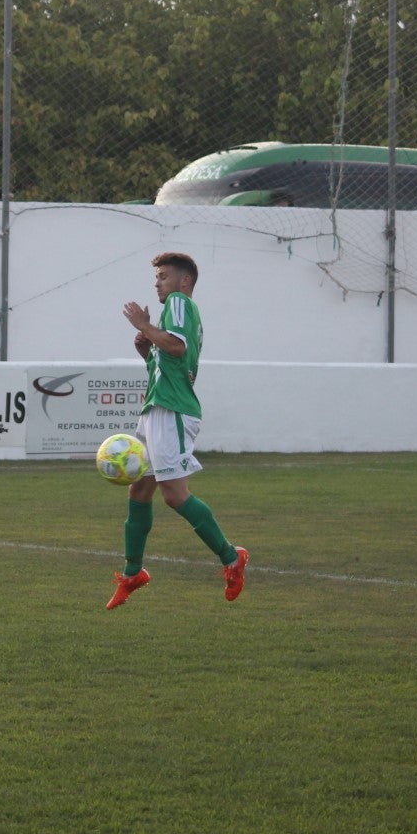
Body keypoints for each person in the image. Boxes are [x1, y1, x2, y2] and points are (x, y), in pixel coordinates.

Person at [106, 252, 249, 611]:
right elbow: (168, 360)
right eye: (157, 277)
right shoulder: (173, 309)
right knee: (139, 489)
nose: (158, 282)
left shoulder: (180, 302)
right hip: (157, 408)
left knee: (173, 494)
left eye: (164, 276)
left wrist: (145, 327)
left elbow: (178, 346)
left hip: (173, 411)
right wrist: (147, 351)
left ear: (184, 282)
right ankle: (132, 573)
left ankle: (232, 558)